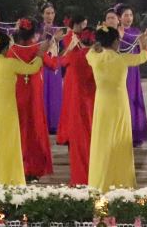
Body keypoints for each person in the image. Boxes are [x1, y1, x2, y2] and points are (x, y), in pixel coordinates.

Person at [0, 29, 46, 184]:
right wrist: (40, 55)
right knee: (7, 146)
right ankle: (8, 178)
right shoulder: (10, 64)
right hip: (7, 112)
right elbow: (32, 69)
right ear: (5, 49)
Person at [88, 22, 147, 190]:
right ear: (116, 42)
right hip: (119, 105)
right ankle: (122, 181)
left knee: (102, 141)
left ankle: (100, 181)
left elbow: (90, 52)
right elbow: (143, 56)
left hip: (102, 105)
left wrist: (98, 42)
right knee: (120, 139)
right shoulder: (122, 59)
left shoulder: (94, 58)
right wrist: (143, 43)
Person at [48, 25, 97, 185]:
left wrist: (67, 48)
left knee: (79, 143)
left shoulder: (73, 56)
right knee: (95, 140)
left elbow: (58, 62)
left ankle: (79, 178)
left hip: (77, 104)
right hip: (95, 104)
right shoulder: (99, 56)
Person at [8, 17, 53, 179]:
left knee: (20, 128)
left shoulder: (12, 50)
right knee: (34, 130)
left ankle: (19, 167)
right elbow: (53, 65)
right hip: (34, 95)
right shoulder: (37, 49)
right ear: (34, 33)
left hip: (17, 93)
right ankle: (34, 168)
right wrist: (51, 50)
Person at [115, 4, 147, 147]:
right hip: (120, 70)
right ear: (119, 18)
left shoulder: (136, 32)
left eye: (130, 15)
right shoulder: (115, 33)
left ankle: (136, 133)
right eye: (125, 15)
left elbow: (143, 51)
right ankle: (122, 134)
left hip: (133, 71)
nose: (129, 18)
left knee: (134, 98)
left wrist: (145, 41)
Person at [40, 3, 64, 134]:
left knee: (55, 94)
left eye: (52, 13)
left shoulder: (59, 30)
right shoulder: (38, 29)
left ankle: (55, 124)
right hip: (42, 64)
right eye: (47, 13)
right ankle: (43, 123)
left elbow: (63, 50)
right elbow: (37, 46)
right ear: (42, 14)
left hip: (55, 64)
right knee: (43, 92)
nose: (50, 16)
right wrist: (45, 35)